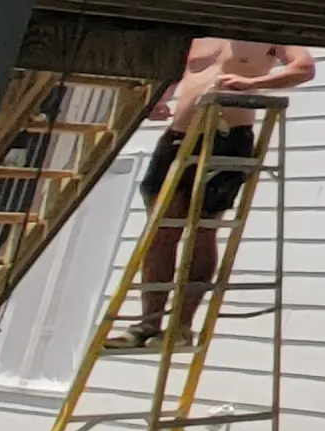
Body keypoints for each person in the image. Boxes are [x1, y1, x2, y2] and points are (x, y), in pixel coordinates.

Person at [127, 39, 314, 348]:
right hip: (179, 136)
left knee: (203, 229)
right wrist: (160, 98)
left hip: (227, 136)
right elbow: (179, 73)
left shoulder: (268, 32)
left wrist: (253, 83)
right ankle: (148, 325)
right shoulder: (201, 33)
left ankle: (181, 327)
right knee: (160, 230)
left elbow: (304, 68)